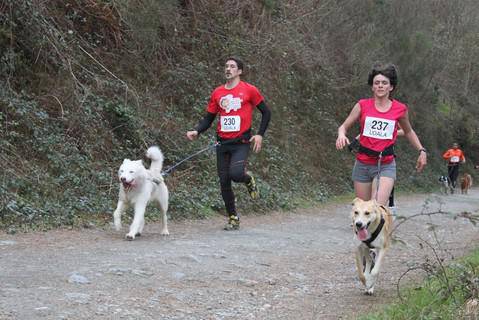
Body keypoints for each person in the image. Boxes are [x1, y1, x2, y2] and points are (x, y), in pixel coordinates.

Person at [186, 57, 271, 231]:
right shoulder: (217, 93)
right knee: (224, 181)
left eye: (232, 67)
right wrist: (197, 131)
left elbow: (266, 112)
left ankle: (248, 179)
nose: (228, 69)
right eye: (226, 66)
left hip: (241, 142)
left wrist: (260, 135)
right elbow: (209, 118)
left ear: (239, 71)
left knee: (236, 173)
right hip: (222, 143)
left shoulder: (249, 90)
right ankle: (233, 217)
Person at [336, 63, 427, 207]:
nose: (380, 86)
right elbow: (344, 126)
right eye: (376, 83)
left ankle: (381, 224)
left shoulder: (400, 109)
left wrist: (421, 150)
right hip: (363, 163)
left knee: (375, 209)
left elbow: (408, 131)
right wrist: (341, 135)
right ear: (372, 87)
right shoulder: (362, 105)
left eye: (384, 83)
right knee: (363, 211)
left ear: (391, 87)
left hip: (385, 165)